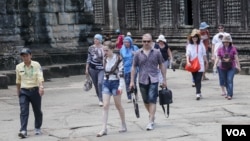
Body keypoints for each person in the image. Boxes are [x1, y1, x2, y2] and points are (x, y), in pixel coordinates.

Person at [130, 33, 167, 131]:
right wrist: (131, 81)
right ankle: (152, 115)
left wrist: (164, 79)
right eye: (144, 41)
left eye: (148, 41)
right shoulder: (137, 53)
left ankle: (150, 121)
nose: (146, 43)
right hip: (142, 79)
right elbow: (133, 66)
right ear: (142, 42)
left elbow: (162, 64)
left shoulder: (157, 52)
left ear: (152, 42)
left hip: (154, 78)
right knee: (146, 100)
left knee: (152, 99)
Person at [96, 41, 126, 137]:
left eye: (107, 50)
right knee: (105, 106)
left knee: (118, 105)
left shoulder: (118, 59)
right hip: (106, 83)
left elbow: (121, 73)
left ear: (112, 49)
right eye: (104, 50)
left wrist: (121, 86)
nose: (105, 52)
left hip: (115, 83)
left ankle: (123, 124)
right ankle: (104, 128)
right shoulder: (104, 58)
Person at [16, 48, 44, 138]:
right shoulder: (18, 67)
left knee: (37, 111)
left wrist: (41, 87)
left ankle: (37, 127)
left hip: (35, 90)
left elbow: (40, 76)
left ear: (30, 55)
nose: (25, 57)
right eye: (23, 56)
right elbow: (18, 80)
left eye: (26, 55)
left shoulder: (36, 65)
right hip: (24, 91)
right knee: (24, 111)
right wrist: (18, 91)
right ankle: (23, 130)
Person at [213, 35, 241, 100]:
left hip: (231, 66)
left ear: (230, 42)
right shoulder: (220, 49)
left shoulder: (233, 48)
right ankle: (228, 92)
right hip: (222, 67)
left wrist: (238, 66)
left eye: (227, 42)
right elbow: (218, 57)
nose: (226, 43)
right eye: (225, 42)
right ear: (223, 42)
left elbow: (236, 58)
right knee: (225, 81)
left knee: (230, 80)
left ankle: (230, 94)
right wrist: (215, 64)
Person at [186, 29, 208, 100]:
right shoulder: (189, 45)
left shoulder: (201, 45)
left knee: (198, 79)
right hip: (193, 64)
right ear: (191, 38)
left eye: (196, 37)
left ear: (198, 37)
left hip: (200, 64)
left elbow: (204, 54)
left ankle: (197, 93)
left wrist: (206, 62)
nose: (194, 38)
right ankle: (199, 91)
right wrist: (188, 62)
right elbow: (187, 54)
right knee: (195, 79)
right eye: (193, 37)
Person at [85, 34, 105, 106]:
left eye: (97, 39)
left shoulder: (104, 48)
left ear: (100, 40)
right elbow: (89, 59)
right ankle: (99, 97)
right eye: (94, 39)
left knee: (100, 82)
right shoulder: (91, 48)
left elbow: (106, 58)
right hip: (93, 68)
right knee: (96, 84)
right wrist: (87, 68)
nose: (95, 40)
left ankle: (101, 99)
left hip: (101, 68)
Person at [120, 36, 139, 103]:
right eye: (125, 42)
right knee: (127, 82)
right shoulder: (122, 49)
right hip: (126, 68)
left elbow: (139, 55)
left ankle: (135, 94)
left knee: (133, 82)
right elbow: (121, 58)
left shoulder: (135, 48)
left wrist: (135, 54)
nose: (126, 43)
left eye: (128, 42)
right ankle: (129, 97)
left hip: (134, 67)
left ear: (130, 42)